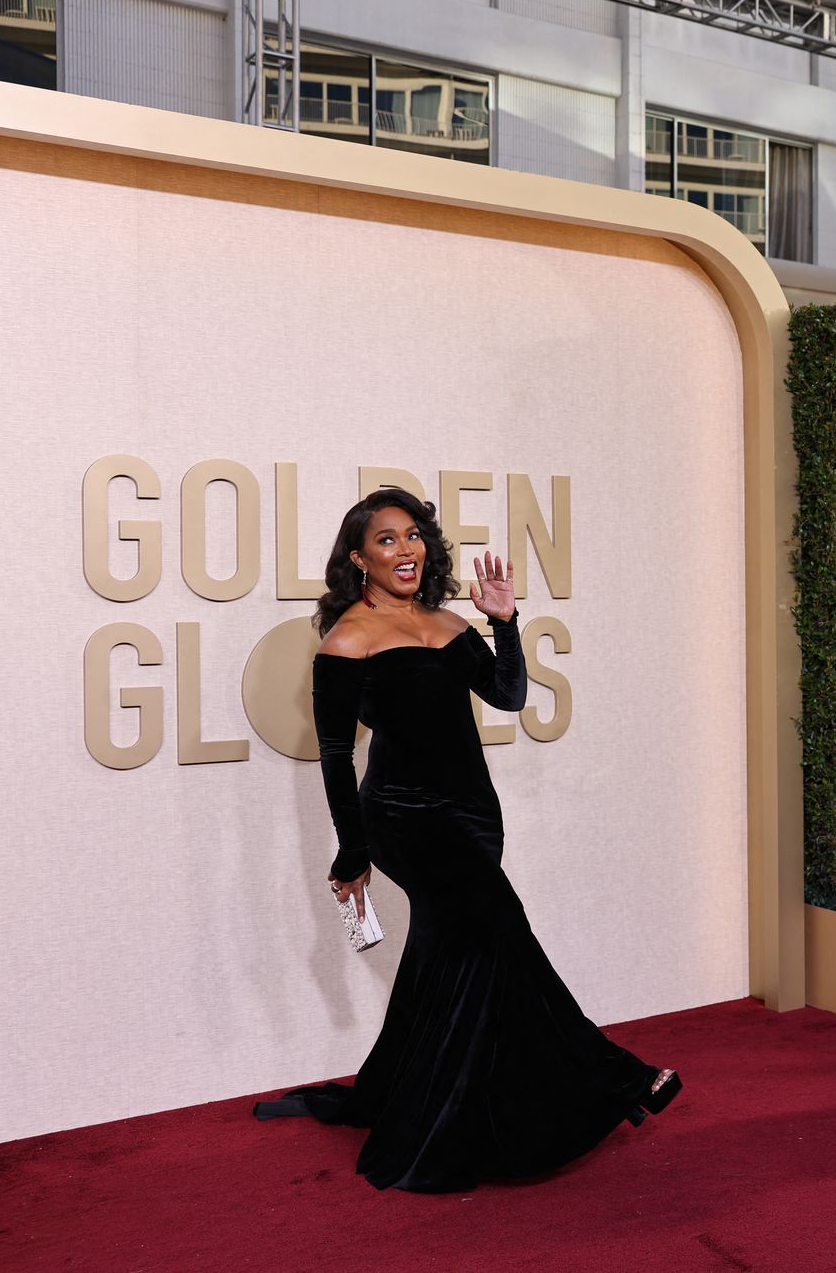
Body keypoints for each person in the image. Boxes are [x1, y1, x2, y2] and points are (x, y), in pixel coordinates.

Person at [254, 490, 679, 1191]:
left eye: (413, 535)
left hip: (474, 814)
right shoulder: (346, 640)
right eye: (386, 540)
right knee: (503, 930)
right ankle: (616, 1075)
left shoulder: (449, 621)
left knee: (451, 958)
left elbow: (509, 696)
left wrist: (504, 621)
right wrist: (352, 848)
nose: (405, 549)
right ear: (358, 558)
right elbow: (335, 755)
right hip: (403, 817)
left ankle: (406, 1089)